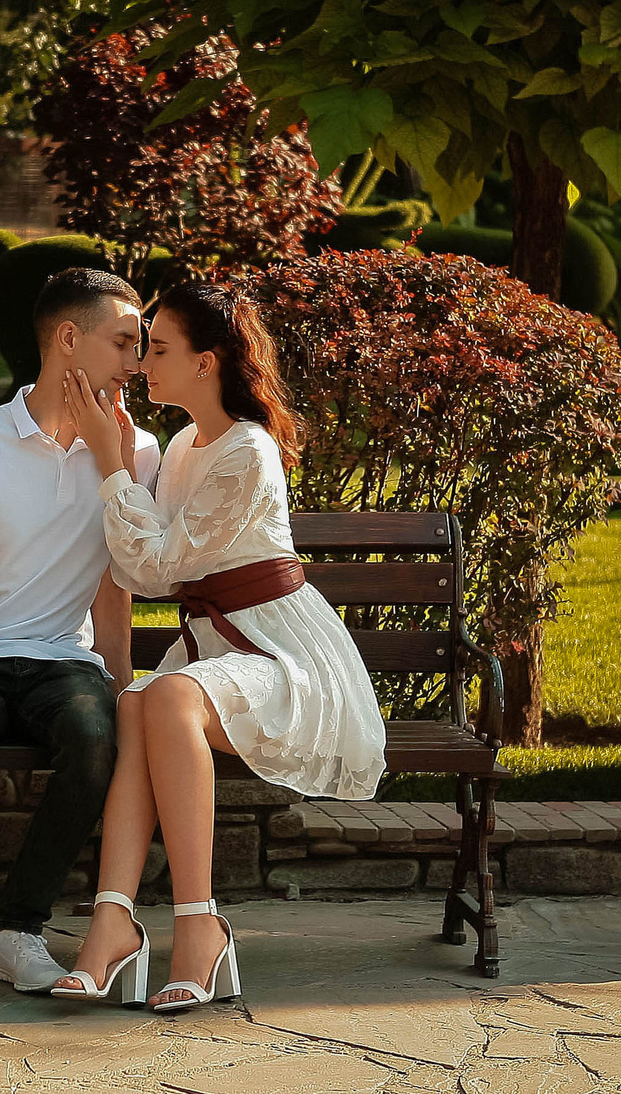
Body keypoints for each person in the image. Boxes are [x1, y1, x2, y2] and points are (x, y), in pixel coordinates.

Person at [51, 281, 386, 1012]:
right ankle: (112, 923)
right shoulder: (180, 447)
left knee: (164, 693)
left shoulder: (248, 452)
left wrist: (110, 461)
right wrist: (119, 459)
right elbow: (145, 568)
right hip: (215, 651)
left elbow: (158, 569)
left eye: (160, 349)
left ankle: (198, 926)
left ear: (207, 363)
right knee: (141, 700)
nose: (142, 364)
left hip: (280, 655)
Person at [0, 266, 162, 1023]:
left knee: (96, 736)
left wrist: (124, 688)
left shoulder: (135, 452)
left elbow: (117, 586)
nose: (135, 363)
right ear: (68, 339)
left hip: (61, 658)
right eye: (122, 342)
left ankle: (19, 929)